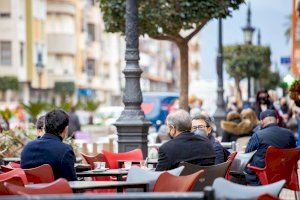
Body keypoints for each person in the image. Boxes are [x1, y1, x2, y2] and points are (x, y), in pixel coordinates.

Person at [21, 109, 77, 181]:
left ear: (45, 126)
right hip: (56, 191)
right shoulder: (65, 150)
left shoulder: (27, 147)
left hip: (27, 191)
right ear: (65, 129)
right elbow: (72, 182)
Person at [245, 109, 296, 185]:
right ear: (277, 120)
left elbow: (247, 153)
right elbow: (293, 151)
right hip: (285, 176)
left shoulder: (258, 135)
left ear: (262, 122)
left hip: (262, 176)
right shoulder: (289, 134)